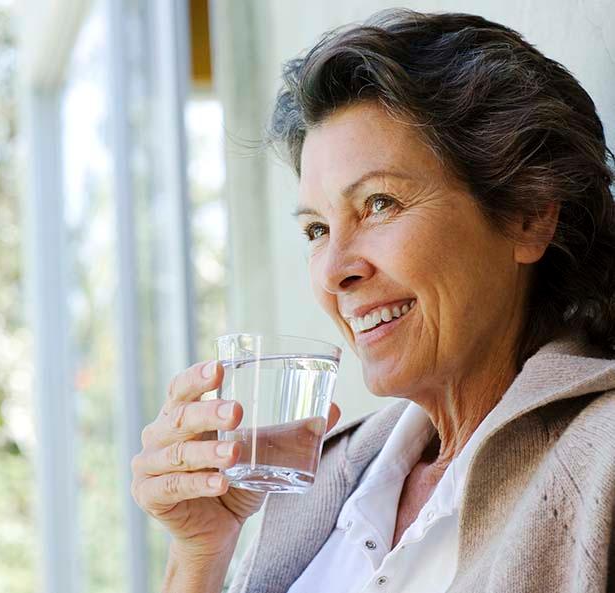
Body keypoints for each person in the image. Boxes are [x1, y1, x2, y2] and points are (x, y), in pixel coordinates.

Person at [130, 9, 615, 593]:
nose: (335, 270)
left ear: (528, 214)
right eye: (316, 230)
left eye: (379, 203)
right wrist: (198, 555)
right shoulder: (323, 478)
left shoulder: (599, 462)